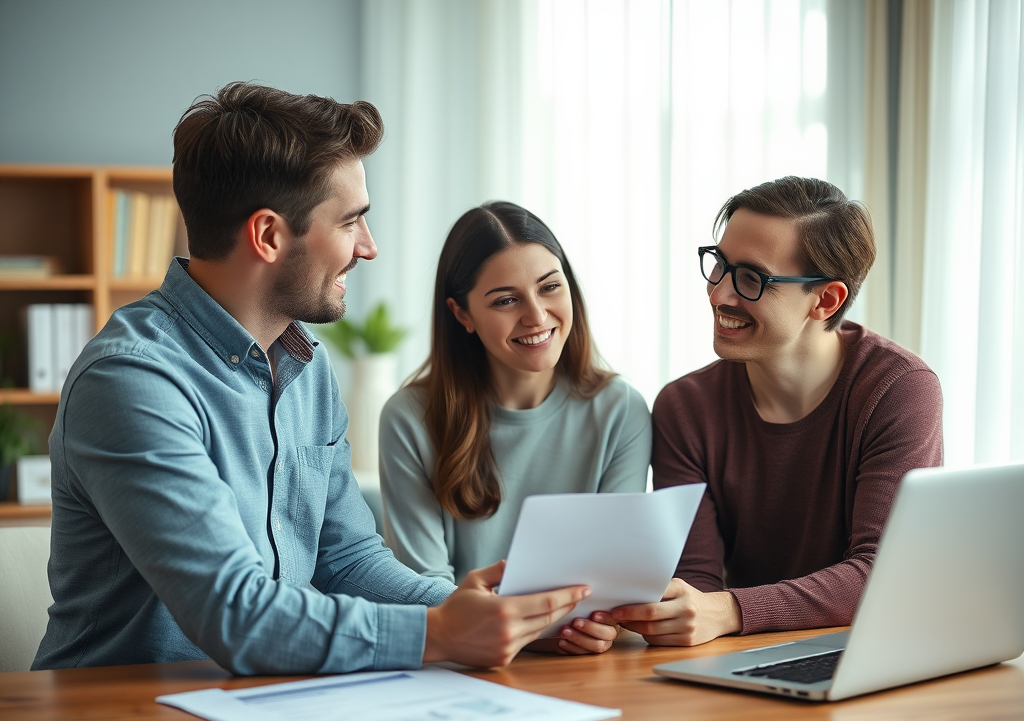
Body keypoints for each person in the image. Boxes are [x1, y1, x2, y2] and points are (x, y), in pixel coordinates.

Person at [33, 83, 591, 674]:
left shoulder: (306, 367)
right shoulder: (131, 380)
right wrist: (440, 633)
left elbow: (347, 560)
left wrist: (492, 617)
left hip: (259, 708)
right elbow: (235, 613)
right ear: (269, 235)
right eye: (351, 222)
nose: (369, 248)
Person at [612, 176, 943, 646]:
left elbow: (884, 572)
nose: (719, 295)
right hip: (744, 656)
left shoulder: (897, 390)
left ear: (825, 300)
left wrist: (731, 610)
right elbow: (696, 585)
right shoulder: (684, 408)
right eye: (719, 266)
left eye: (752, 279)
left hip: (870, 652)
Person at [380, 201, 652, 655]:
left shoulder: (621, 409)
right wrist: (506, 628)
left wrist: (608, 624)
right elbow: (425, 586)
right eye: (506, 300)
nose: (536, 316)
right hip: (464, 664)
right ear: (462, 314)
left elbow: (614, 579)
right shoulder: (409, 417)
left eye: (550, 288)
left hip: (579, 668)